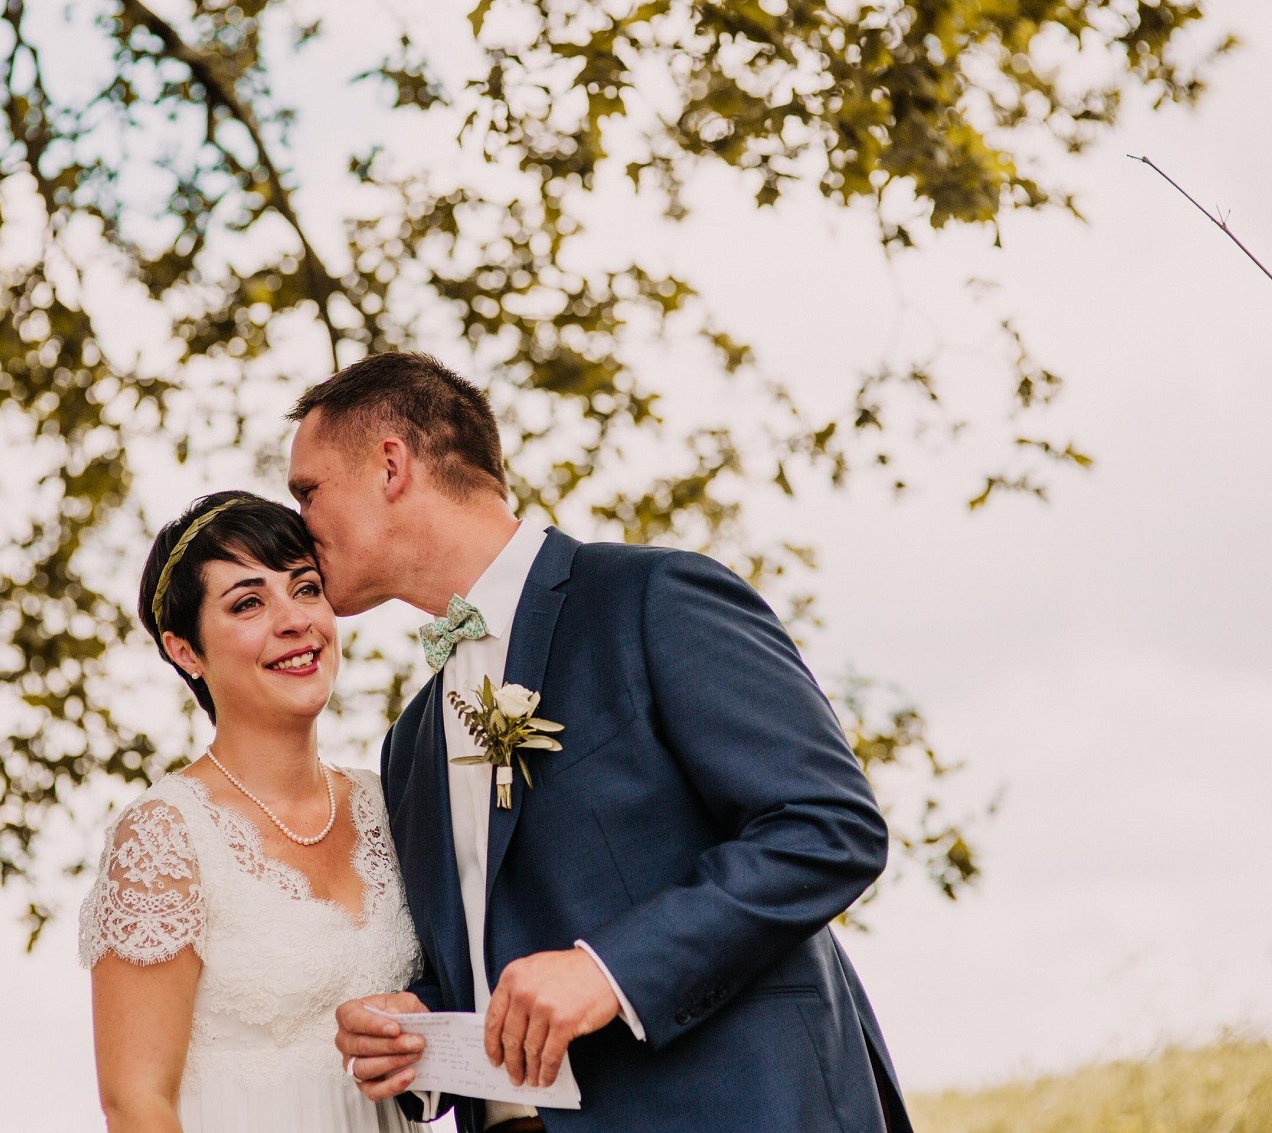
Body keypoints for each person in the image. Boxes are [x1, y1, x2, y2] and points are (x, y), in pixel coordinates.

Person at [300, 353, 916, 1133]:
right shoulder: (410, 741)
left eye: (308, 491)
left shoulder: (651, 598)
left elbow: (829, 826)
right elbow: (495, 956)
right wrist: (414, 1028)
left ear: (391, 464)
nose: (298, 523)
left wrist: (609, 970)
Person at [79, 490, 422, 1133]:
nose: (294, 621)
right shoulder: (164, 834)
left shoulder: (389, 803)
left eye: (306, 588)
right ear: (185, 651)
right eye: (248, 603)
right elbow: (135, 1102)